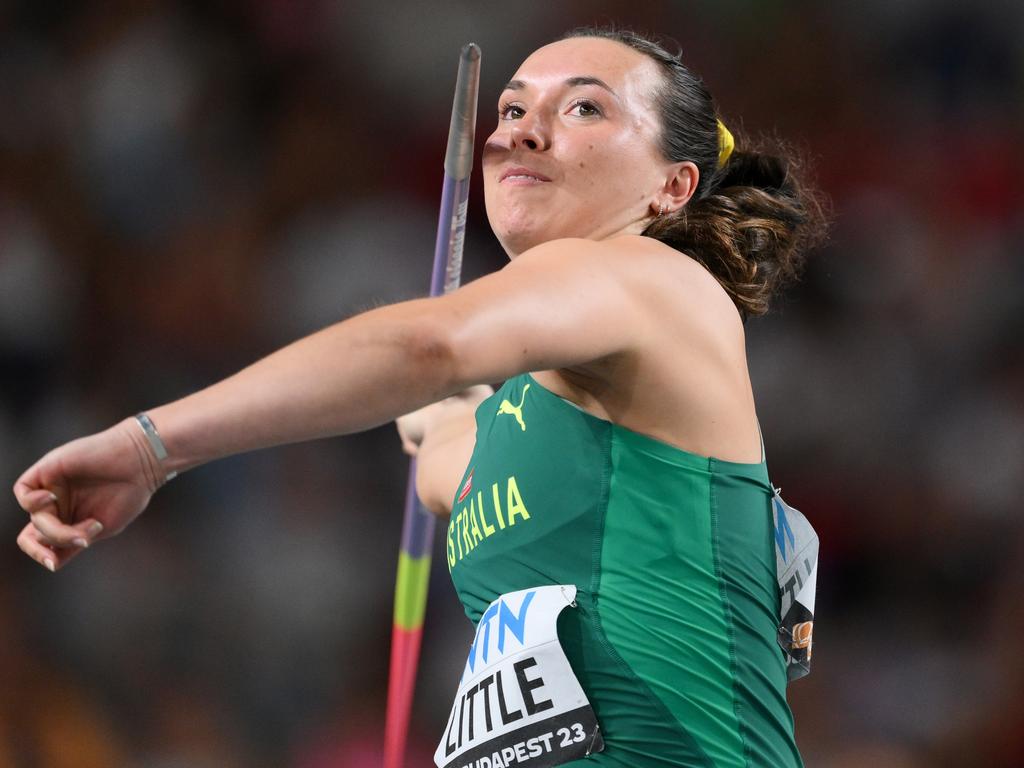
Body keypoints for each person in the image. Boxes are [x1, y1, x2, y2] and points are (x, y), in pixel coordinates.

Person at [13, 27, 827, 768]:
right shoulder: (521, 422)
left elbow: (429, 347)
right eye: (512, 109)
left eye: (583, 107)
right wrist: (434, 412)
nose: (519, 130)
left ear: (672, 186)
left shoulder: (657, 281)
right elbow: (445, 444)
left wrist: (154, 446)